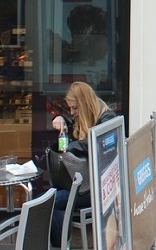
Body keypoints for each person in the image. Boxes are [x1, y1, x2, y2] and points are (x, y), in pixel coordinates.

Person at [49, 81, 117, 247]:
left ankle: (59, 246)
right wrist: (61, 119)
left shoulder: (107, 119)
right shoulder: (86, 116)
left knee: (50, 202)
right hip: (84, 183)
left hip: (100, 187)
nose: (73, 113)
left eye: (75, 108)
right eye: (70, 108)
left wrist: (71, 147)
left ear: (85, 104)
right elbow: (73, 132)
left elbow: (93, 142)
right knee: (47, 199)